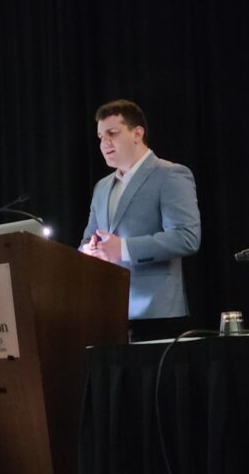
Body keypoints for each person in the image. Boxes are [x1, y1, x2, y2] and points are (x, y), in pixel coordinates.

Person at [79, 100, 201, 341]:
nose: (104, 143)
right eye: (100, 136)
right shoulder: (102, 187)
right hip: (108, 312)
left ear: (137, 134)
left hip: (157, 314)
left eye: (112, 133)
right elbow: (87, 238)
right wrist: (89, 249)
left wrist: (123, 248)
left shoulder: (170, 174)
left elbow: (186, 237)